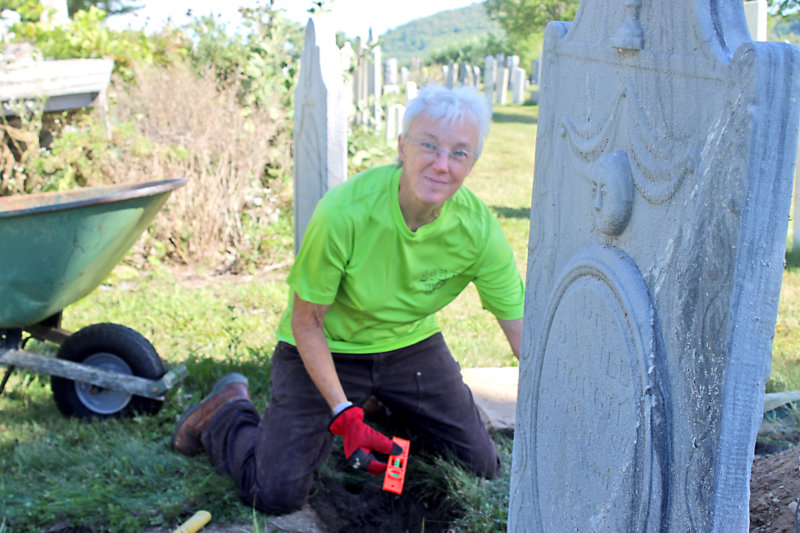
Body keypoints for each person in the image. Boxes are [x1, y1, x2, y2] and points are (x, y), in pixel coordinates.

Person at [171, 83, 525, 514]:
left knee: (479, 466)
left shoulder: (479, 230)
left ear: (473, 163)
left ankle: (387, 407)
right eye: (429, 146)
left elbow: (520, 331)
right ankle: (226, 414)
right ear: (402, 147)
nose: (441, 165)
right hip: (328, 345)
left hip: (409, 346)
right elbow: (307, 323)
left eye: (459, 153)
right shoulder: (344, 212)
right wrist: (343, 412)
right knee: (275, 494)